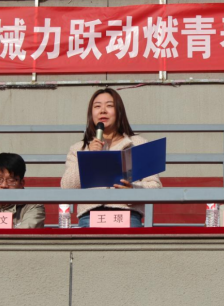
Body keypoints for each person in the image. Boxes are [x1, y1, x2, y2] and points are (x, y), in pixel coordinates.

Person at [61, 88, 163, 228]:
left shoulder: (138, 144)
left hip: (128, 216)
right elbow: (67, 186)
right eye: (97, 106)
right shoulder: (79, 148)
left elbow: (155, 187)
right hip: (90, 216)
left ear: (119, 111)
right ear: (91, 113)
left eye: (109, 105)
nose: (103, 111)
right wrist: (89, 156)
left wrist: (133, 190)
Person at [0, 153, 45, 229]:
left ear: (21, 183)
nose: (4, 185)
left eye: (11, 180)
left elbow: (25, 233)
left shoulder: (33, 205)